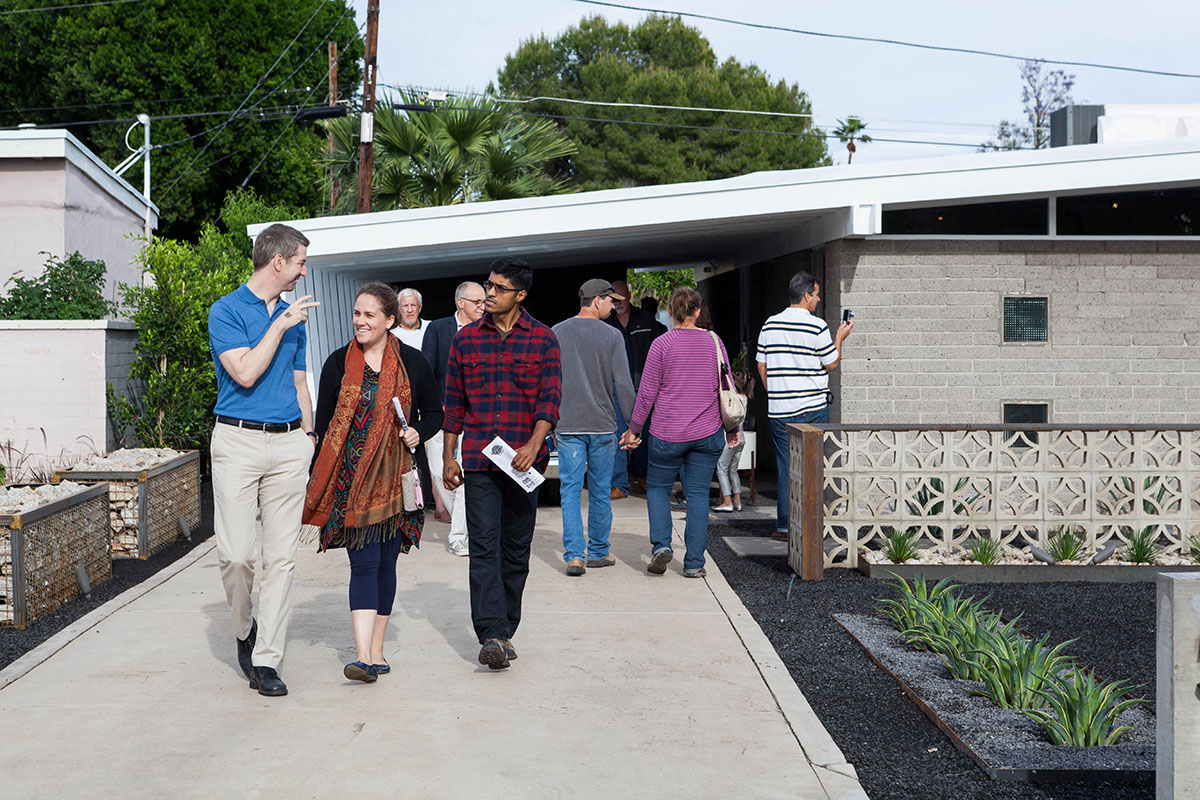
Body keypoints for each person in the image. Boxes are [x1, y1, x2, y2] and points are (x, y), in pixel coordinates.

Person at [304, 283, 442, 683]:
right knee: (363, 562)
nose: (360, 321)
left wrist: (417, 431)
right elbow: (327, 424)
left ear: (389, 321)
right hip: (351, 481)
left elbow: (435, 412)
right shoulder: (337, 363)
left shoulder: (413, 363)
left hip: (398, 480)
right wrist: (319, 478)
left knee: (386, 563)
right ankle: (363, 656)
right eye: (356, 314)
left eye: (369, 315)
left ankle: (377, 650)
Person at [208, 222, 320, 698]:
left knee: (282, 560)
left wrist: (309, 437)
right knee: (236, 556)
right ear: (278, 262)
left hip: (290, 444)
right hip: (237, 441)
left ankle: (266, 660)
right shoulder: (226, 310)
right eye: (299, 263)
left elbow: (298, 385)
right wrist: (279, 324)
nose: (302, 272)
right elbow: (247, 373)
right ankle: (243, 630)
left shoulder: (296, 319)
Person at [442, 257, 562, 670]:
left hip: (524, 463)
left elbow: (551, 399)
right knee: (484, 547)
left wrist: (534, 442)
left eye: (498, 288)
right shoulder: (465, 340)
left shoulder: (544, 340)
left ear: (520, 295)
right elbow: (454, 404)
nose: (488, 294)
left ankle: (506, 628)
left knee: (516, 549)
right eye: (487, 286)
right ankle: (490, 633)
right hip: (477, 459)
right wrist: (448, 455)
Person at [621, 288, 740, 578]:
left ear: (671, 312)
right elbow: (728, 387)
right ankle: (695, 562)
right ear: (698, 311)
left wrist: (634, 430)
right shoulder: (714, 342)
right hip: (707, 432)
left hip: (667, 433)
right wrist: (733, 429)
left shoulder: (661, 344)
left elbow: (647, 393)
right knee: (698, 494)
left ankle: (662, 545)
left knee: (659, 489)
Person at [756, 271, 852, 540]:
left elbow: (761, 365)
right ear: (807, 294)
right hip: (812, 406)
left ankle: (785, 526)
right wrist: (840, 337)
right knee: (813, 465)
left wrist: (776, 391)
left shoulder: (769, 325)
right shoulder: (817, 325)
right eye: (817, 294)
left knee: (786, 465)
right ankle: (811, 525)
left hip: (779, 409)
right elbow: (831, 362)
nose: (818, 300)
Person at [552, 279, 636, 577]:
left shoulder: (556, 333)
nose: (614, 307)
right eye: (611, 301)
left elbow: (547, 383)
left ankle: (575, 556)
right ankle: (598, 551)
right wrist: (633, 426)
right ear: (597, 300)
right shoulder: (612, 336)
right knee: (600, 491)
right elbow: (624, 385)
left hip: (568, 424)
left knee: (570, 491)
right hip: (602, 426)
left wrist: (548, 421)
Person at [421, 281, 487, 554]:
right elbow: (428, 369)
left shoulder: (487, 331)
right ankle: (466, 523)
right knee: (440, 474)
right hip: (442, 416)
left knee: (463, 478)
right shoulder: (438, 329)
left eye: (484, 302)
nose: (483, 307)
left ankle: (459, 536)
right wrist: (440, 405)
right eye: (477, 302)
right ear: (461, 303)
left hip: (473, 419)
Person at [606, 279, 666, 498]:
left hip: (644, 387)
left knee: (644, 435)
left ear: (629, 296)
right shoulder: (607, 323)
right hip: (615, 388)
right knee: (617, 436)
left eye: (621, 297)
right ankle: (619, 484)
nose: (618, 302)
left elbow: (661, 352)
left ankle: (641, 475)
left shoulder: (647, 319)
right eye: (613, 299)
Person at [712, 369, 755, 513]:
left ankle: (727, 501)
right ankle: (737, 501)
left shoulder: (731, 398)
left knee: (721, 468)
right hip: (741, 438)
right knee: (733, 470)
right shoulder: (744, 397)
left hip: (729, 438)